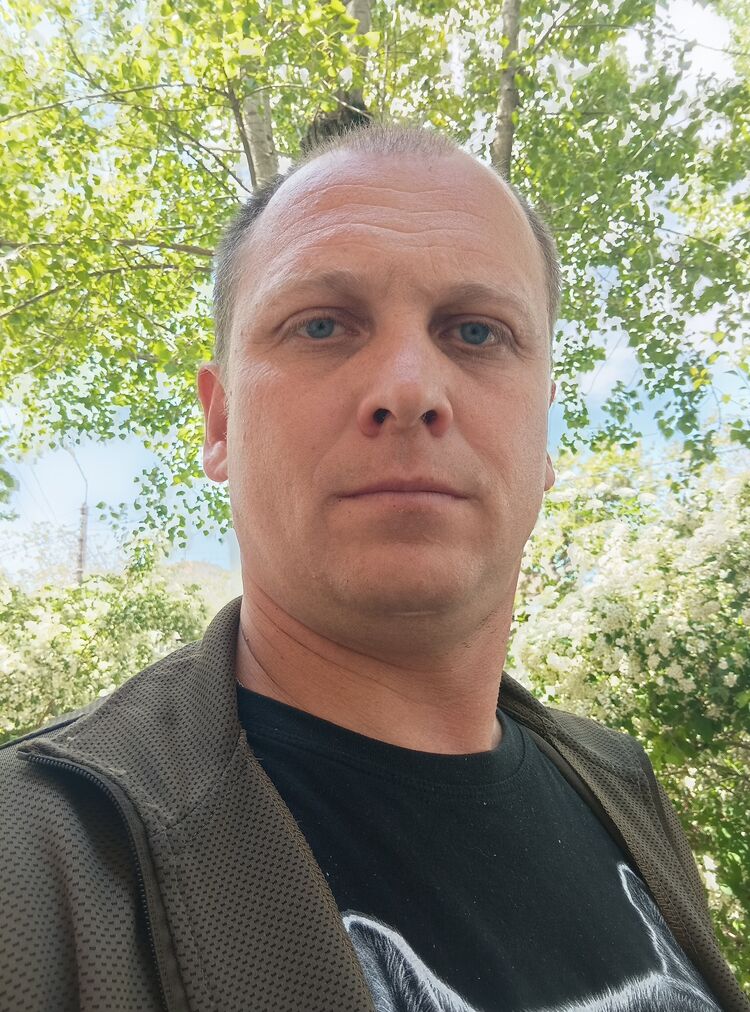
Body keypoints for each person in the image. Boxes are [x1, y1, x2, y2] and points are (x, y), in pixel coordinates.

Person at [0, 124, 746, 1012]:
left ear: (544, 432)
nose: (409, 389)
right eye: (321, 325)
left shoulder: (624, 787)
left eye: (477, 332)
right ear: (221, 423)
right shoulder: (32, 863)